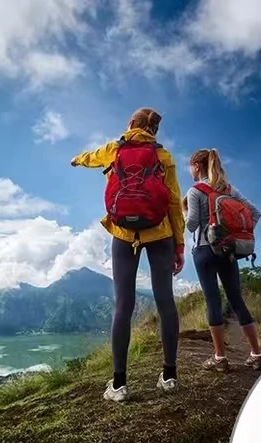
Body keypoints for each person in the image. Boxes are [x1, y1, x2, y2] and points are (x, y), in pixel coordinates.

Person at [71, 108, 185, 401]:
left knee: (124, 305)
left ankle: (119, 384)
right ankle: (169, 376)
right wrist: (179, 245)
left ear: (131, 124)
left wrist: (78, 159)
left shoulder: (113, 150)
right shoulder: (164, 157)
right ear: (154, 131)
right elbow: (173, 203)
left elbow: (91, 157)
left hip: (123, 235)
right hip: (160, 234)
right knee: (165, 302)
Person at [184, 149, 261, 373]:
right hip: (227, 250)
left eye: (190, 166)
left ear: (197, 166)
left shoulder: (195, 190)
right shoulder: (229, 190)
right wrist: (235, 235)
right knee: (236, 299)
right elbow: (255, 213)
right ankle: (256, 355)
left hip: (204, 250)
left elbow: (191, 225)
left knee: (213, 301)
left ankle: (220, 358)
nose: (190, 170)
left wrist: (184, 212)